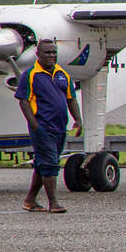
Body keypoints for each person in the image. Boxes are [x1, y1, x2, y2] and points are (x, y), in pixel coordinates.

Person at [13, 38, 82, 213]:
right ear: (38, 54)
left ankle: (30, 200)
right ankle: (54, 202)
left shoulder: (62, 74)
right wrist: (35, 125)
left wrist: (78, 119)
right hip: (43, 127)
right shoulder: (30, 75)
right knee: (50, 163)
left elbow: (71, 99)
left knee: (43, 163)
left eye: (54, 52)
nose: (51, 55)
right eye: (47, 52)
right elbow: (23, 101)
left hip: (60, 127)